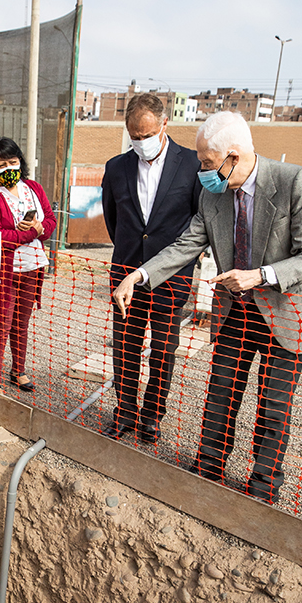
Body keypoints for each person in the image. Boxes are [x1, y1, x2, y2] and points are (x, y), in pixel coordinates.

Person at [112, 111, 302, 505]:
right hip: (235, 310)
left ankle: (263, 486)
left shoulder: (293, 181)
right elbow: (186, 245)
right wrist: (139, 275)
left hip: (285, 310)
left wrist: (260, 275)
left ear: (233, 156)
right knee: (221, 393)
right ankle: (208, 467)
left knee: (274, 404)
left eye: (207, 162)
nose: (201, 171)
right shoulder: (213, 194)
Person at [100, 93, 202, 444]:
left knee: (162, 350)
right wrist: (130, 255)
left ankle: (152, 416)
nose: (141, 142)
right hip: (125, 275)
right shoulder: (117, 168)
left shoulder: (191, 165)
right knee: (125, 347)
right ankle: (125, 411)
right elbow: (114, 221)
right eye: (134, 136)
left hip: (171, 279)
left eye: (146, 135)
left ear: (164, 125)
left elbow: (197, 224)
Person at [0, 136, 57, 392]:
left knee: (21, 323)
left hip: (32, 267)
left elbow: (50, 221)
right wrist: (31, 233)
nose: (9, 168)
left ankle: (18, 369)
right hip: (2, 272)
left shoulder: (34, 188)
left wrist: (40, 227)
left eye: (12, 162)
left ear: (20, 162)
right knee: (1, 324)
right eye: (2, 165)